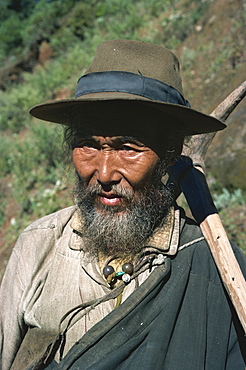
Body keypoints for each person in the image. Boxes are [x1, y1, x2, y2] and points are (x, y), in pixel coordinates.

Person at [0, 40, 245, 370]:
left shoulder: (213, 267)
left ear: (170, 150)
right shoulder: (39, 247)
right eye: (87, 145)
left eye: (128, 148)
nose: (103, 173)